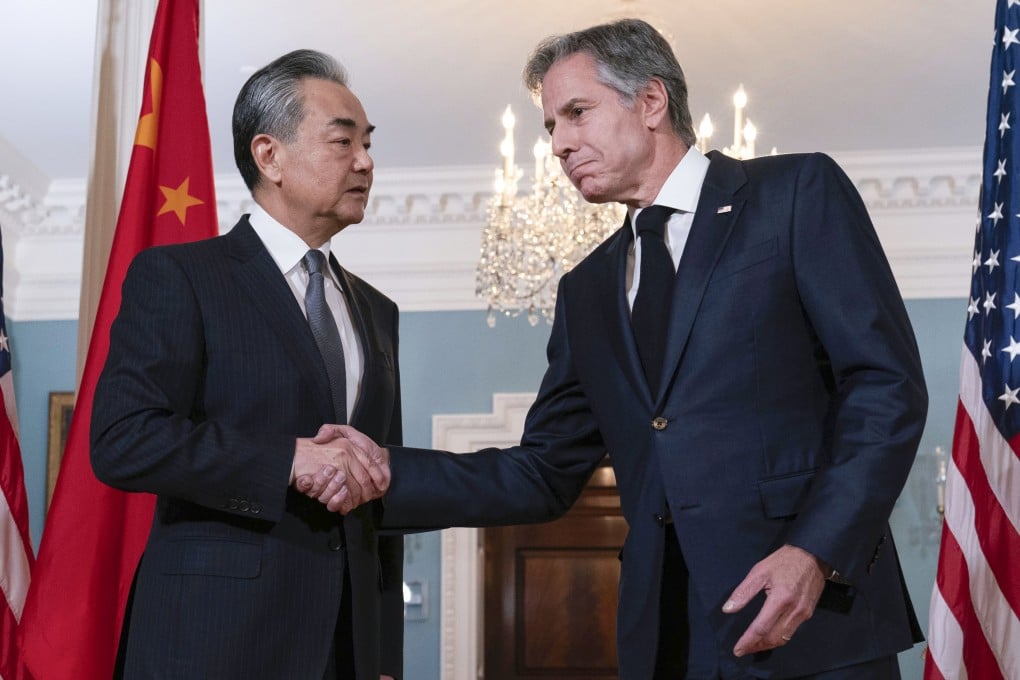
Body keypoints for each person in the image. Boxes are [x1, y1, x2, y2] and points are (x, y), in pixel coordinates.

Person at [305, 18, 928, 680]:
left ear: (652, 101)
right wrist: (384, 473)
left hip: (813, 624)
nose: (559, 145)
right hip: (667, 640)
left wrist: (816, 551)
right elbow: (542, 471)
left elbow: (885, 385)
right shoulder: (587, 290)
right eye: (551, 127)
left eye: (577, 113)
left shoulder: (794, 194)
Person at [91, 49, 401, 679]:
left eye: (368, 144)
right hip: (212, 644)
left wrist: (383, 656)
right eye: (343, 141)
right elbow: (124, 440)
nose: (366, 162)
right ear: (269, 155)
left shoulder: (378, 310)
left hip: (346, 652)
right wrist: (287, 459)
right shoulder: (180, 277)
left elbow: (376, 491)